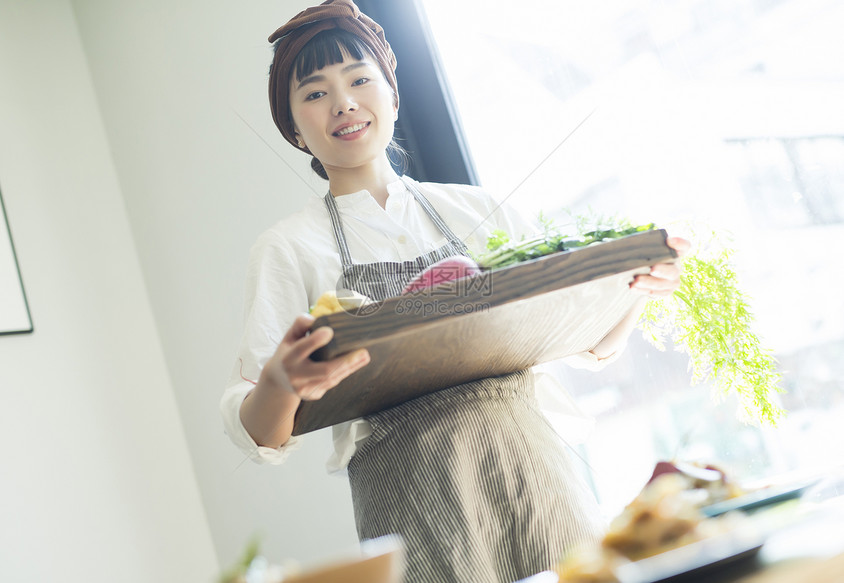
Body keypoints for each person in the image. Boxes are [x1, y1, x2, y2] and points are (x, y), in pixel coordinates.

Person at [220, 1, 690, 581]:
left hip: (534, 468)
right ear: (291, 126)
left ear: (392, 94)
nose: (342, 103)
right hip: (409, 501)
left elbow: (589, 344)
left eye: (360, 80)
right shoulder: (288, 247)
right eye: (314, 93)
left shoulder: (478, 208)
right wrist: (281, 382)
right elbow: (260, 434)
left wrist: (637, 287)